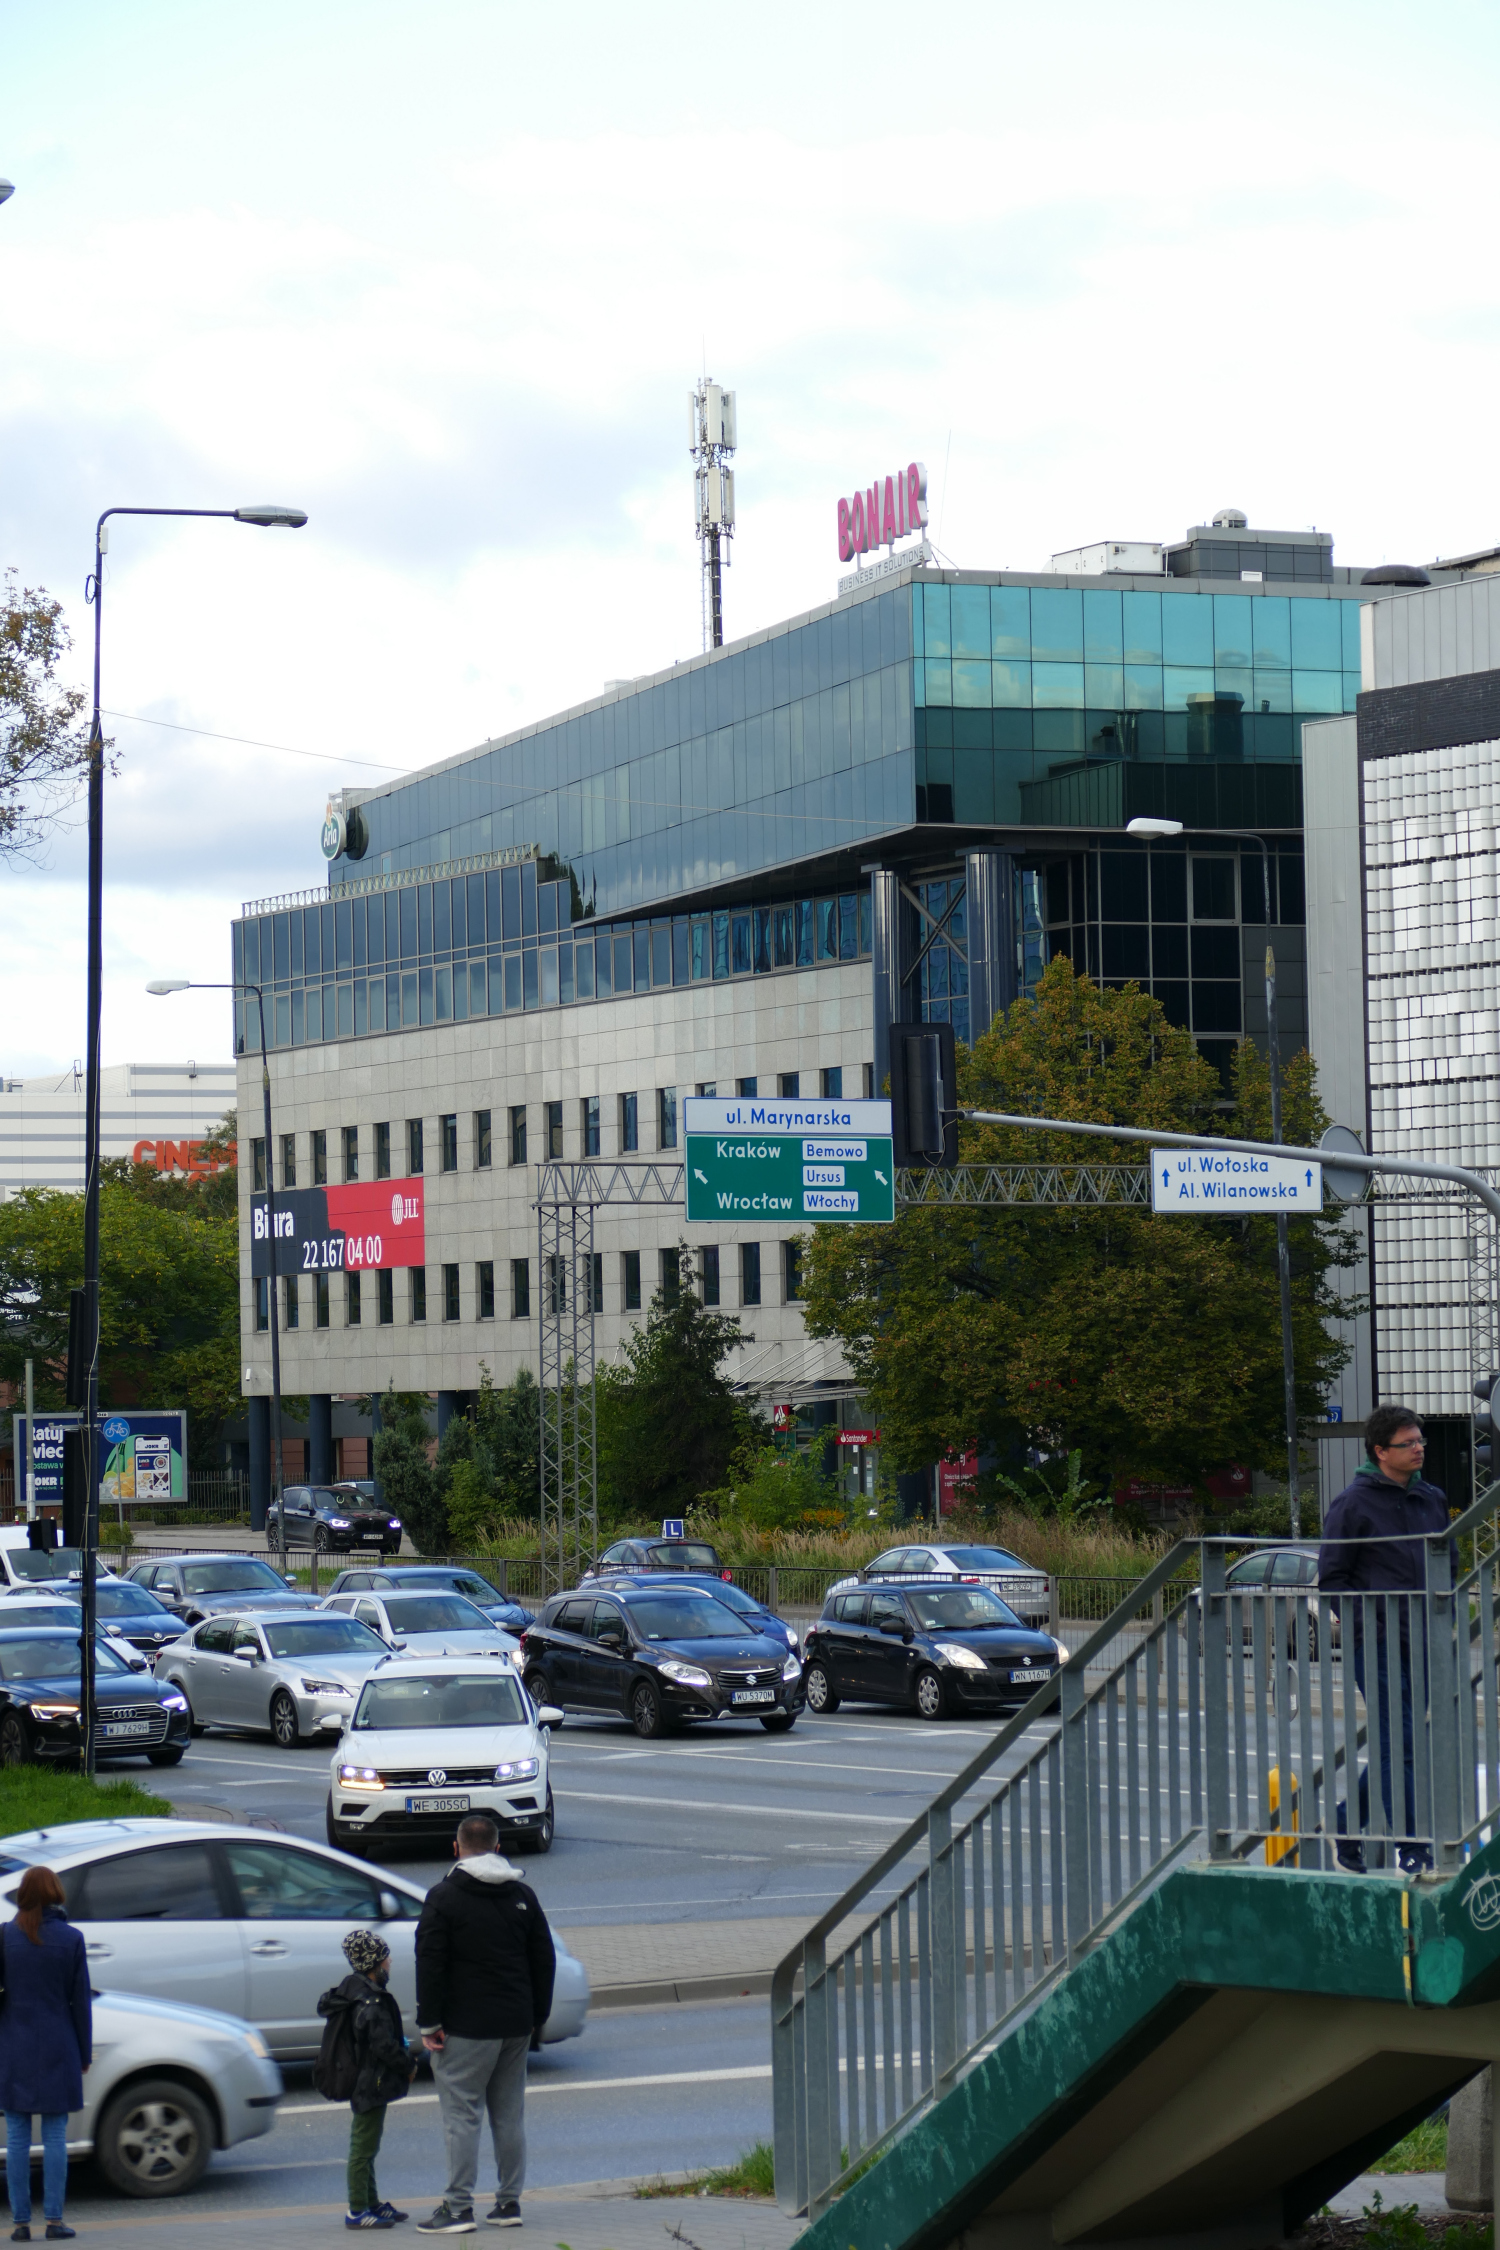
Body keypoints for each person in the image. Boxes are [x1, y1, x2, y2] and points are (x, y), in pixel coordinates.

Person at [1319, 1405, 1455, 1875]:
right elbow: (1332, 1578)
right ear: (1380, 1451)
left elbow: (1447, 1560)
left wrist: (1447, 1613)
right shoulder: (1352, 1504)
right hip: (1375, 1643)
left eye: (1420, 1441)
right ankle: (1412, 1846)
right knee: (1403, 1746)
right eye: (1408, 1443)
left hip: (1422, 1639)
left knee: (1398, 1744)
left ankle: (1346, 1824)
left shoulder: (1431, 1498)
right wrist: (1367, 1628)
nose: (1419, 1448)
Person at [414, 1815, 556, 2235]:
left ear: (456, 1848)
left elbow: (431, 1963)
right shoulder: (523, 1896)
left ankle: (458, 2209)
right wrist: (537, 2019)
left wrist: (429, 2022)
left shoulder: (443, 1897)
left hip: (465, 2027)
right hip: (515, 2024)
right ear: (497, 1849)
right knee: (509, 2116)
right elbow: (543, 1960)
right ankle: (509, 2203)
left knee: (462, 2118)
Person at [0, 1867, 91, 2242]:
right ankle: (55, 2221)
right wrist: (83, 2053)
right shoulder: (72, 1939)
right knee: (55, 2136)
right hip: (59, 2045)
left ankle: (20, 2224)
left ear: (23, 1895)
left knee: (18, 2137)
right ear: (55, 1894)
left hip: (14, 2048)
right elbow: (80, 2003)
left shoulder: (4, 1937)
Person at [318, 1928, 420, 2231]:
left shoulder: (350, 1989)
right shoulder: (371, 2003)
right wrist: (409, 2066)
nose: (390, 1962)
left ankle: (372, 2203)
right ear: (374, 1963)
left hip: (362, 2078)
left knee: (369, 2144)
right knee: (362, 2148)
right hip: (369, 2082)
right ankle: (357, 2210)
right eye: (386, 1957)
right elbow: (383, 2046)